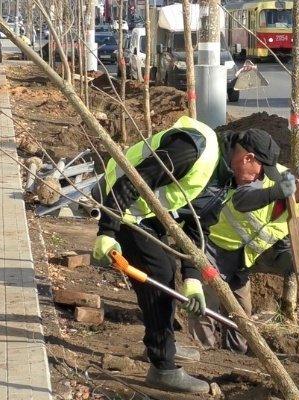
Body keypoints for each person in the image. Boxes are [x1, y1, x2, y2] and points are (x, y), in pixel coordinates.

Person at [91, 116, 286, 393]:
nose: (258, 180)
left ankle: (162, 344)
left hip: (150, 215)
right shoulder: (194, 150)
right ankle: (162, 368)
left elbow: (197, 226)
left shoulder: (225, 180)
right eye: (259, 172)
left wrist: (193, 280)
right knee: (160, 273)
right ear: (248, 157)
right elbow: (134, 179)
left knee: (166, 272)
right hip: (120, 204)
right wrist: (106, 231)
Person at [188, 163, 299, 354]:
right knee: (207, 305)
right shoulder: (262, 177)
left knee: (242, 314)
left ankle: (234, 358)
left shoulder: (296, 211)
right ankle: (201, 354)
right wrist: (274, 192)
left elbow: (283, 250)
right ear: (296, 183)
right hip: (212, 245)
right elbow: (240, 199)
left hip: (242, 261)